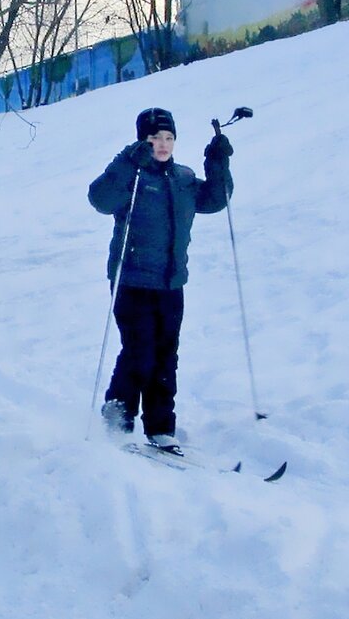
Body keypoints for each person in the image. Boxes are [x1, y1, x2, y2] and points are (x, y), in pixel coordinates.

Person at [88, 107, 234, 452]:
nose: (163, 144)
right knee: (140, 351)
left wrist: (217, 163)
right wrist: (127, 160)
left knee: (167, 355)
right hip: (132, 280)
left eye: (168, 138)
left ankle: (160, 427)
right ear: (143, 139)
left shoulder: (181, 178)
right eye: (155, 138)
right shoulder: (133, 176)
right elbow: (100, 199)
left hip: (171, 284)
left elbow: (215, 200)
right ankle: (118, 416)